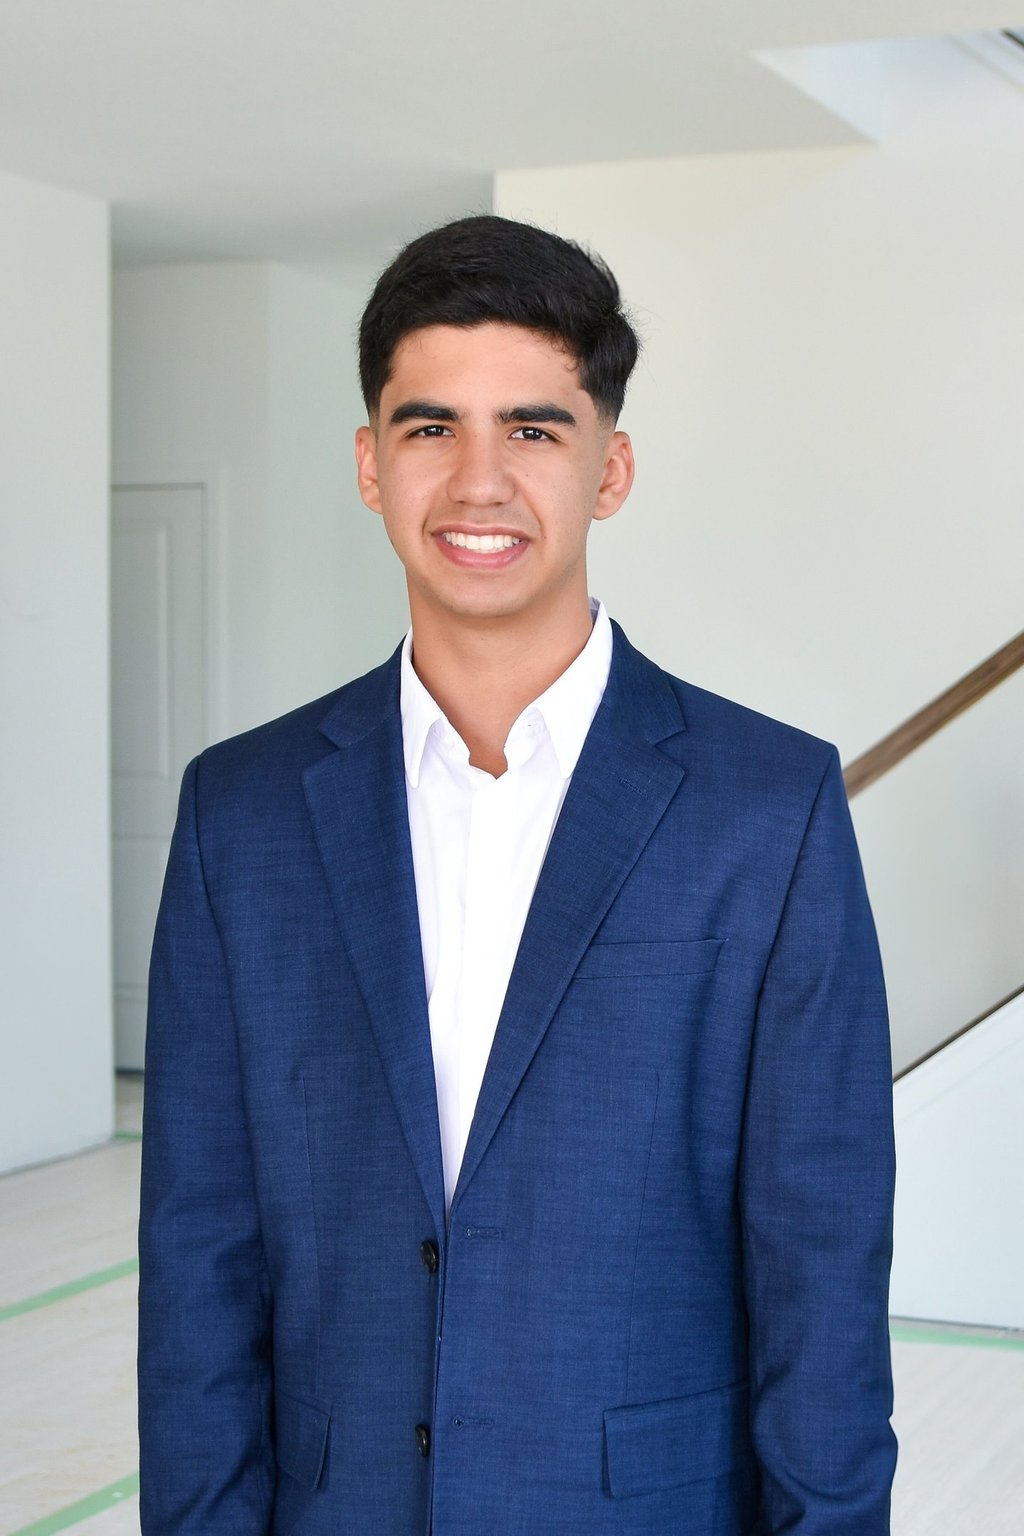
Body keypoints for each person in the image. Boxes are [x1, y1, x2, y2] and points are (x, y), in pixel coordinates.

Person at [138, 215, 897, 1535]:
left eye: (534, 429)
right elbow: (200, 1253)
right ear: (370, 465)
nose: (477, 481)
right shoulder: (239, 813)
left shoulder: (767, 807)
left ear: (611, 470)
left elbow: (820, 1269)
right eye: (431, 427)